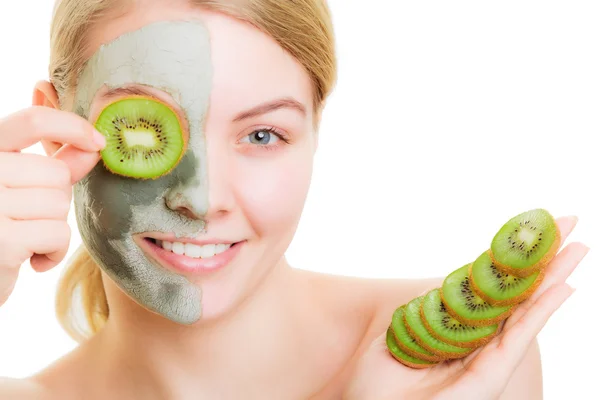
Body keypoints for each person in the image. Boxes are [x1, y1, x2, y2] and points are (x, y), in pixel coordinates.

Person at [0, 0, 588, 399]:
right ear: (54, 129)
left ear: (314, 135)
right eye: (151, 127)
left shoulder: (456, 365)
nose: (203, 200)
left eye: (262, 135)